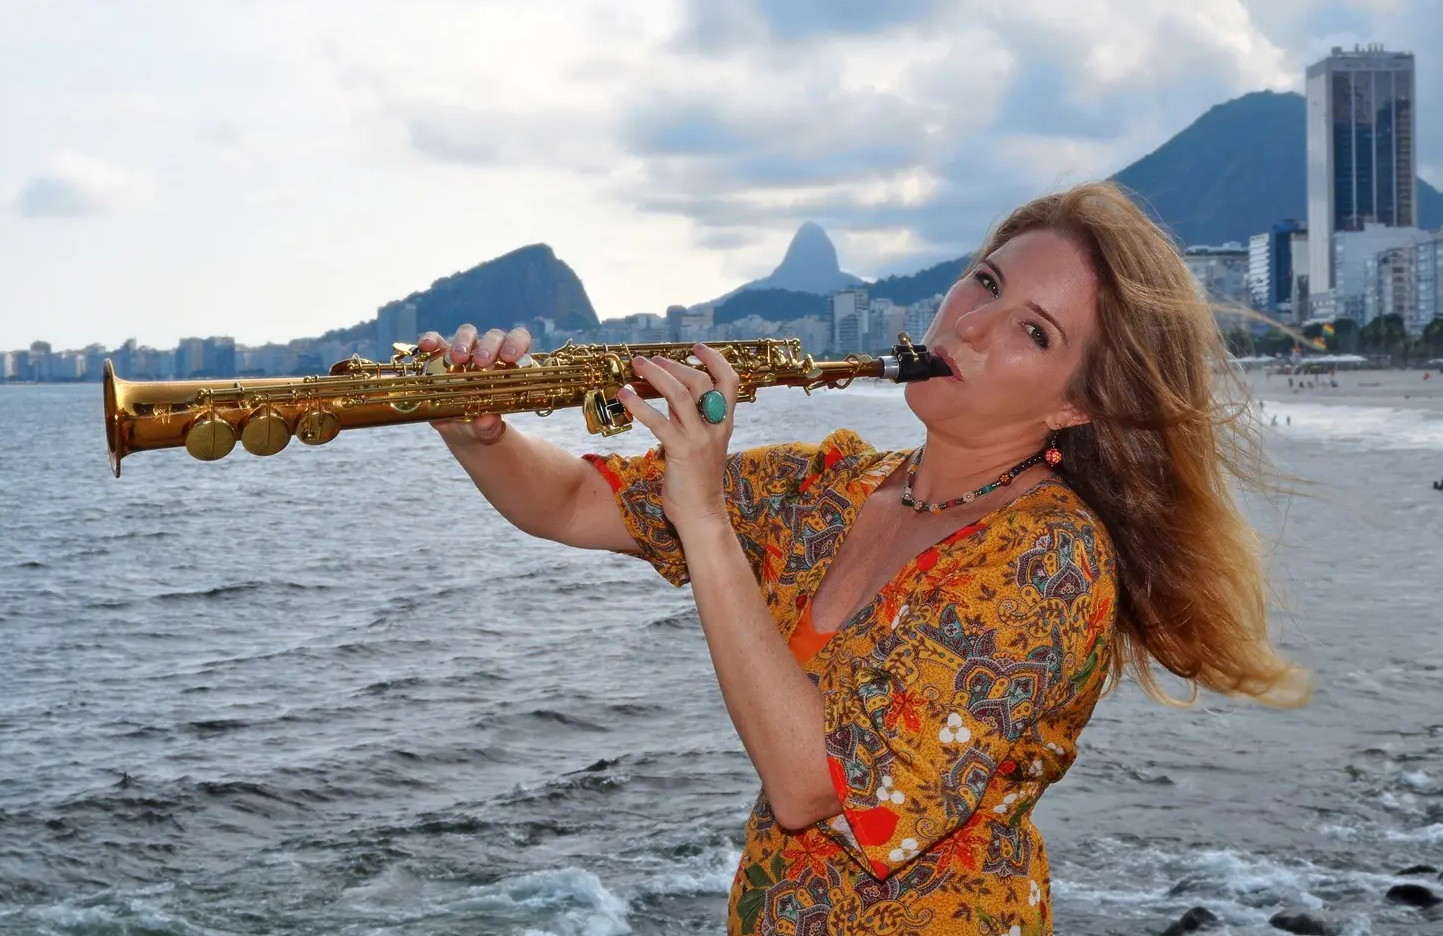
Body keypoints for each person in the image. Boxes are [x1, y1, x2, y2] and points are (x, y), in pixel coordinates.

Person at [420, 181, 1307, 935]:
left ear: (1077, 406)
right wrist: (478, 432)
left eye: (1035, 332)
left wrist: (708, 519)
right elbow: (574, 502)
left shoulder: (1049, 559)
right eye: (986, 282)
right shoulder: (830, 485)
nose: (975, 325)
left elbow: (812, 786)